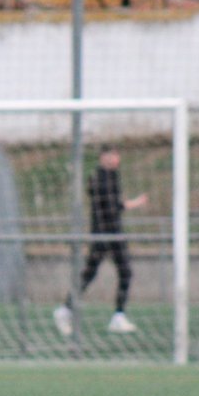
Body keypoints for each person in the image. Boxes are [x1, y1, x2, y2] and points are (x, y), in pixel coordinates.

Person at [53, 143, 148, 336]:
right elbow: (109, 204)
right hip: (102, 233)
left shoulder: (113, 176)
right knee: (90, 273)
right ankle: (65, 310)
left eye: (116, 154)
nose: (115, 159)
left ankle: (118, 316)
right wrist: (129, 204)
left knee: (125, 271)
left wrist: (130, 204)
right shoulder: (98, 178)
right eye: (111, 155)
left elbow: (115, 204)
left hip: (115, 232)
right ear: (103, 157)